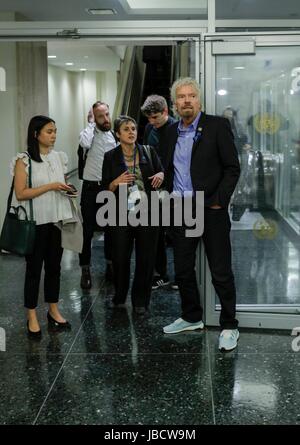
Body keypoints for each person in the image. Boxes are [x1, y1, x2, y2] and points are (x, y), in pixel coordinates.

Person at [162, 78, 241, 352]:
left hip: (211, 210)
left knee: (221, 271)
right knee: (182, 270)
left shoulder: (218, 126)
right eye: (181, 97)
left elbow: (233, 168)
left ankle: (230, 325)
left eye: (191, 96)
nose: (186, 101)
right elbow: (171, 169)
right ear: (174, 103)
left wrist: (219, 201)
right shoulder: (170, 132)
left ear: (199, 100)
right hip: (181, 210)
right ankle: (192, 316)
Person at [11, 115, 74, 337]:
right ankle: (31, 315)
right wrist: (50, 186)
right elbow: (20, 193)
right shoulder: (24, 159)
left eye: (55, 130)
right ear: (35, 134)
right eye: (49, 131)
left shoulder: (59, 157)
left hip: (57, 220)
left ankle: (53, 310)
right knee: (34, 270)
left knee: (54, 268)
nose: (54, 135)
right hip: (36, 222)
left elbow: (61, 184)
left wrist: (67, 188)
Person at [101, 116, 164, 314]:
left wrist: (161, 175)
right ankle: (119, 296)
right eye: (126, 129)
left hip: (148, 211)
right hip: (120, 212)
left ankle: (141, 301)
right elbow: (105, 188)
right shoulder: (110, 156)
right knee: (120, 257)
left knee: (146, 258)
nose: (131, 132)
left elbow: (162, 173)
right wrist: (115, 182)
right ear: (118, 134)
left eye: (134, 128)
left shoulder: (148, 151)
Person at [79, 101, 117, 289]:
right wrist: (91, 124)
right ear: (94, 117)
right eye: (100, 116)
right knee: (87, 231)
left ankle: (110, 265)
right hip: (90, 189)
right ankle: (85, 269)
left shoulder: (113, 135)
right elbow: (84, 143)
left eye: (107, 114)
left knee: (111, 229)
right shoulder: (88, 134)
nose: (106, 119)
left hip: (108, 189)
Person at [141, 94, 177, 290]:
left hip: (174, 186)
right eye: (149, 118)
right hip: (155, 187)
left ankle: (181, 275)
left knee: (177, 232)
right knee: (156, 232)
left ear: (165, 112)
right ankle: (160, 274)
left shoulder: (176, 129)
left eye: (155, 117)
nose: (151, 122)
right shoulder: (149, 128)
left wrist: (164, 173)